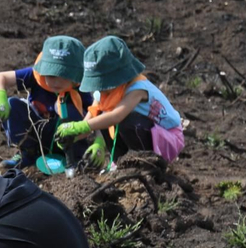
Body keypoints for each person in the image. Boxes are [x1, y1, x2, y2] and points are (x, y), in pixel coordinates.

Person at [54, 36, 186, 169]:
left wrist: (80, 127)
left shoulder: (137, 89)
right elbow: (88, 123)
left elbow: (116, 116)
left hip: (167, 138)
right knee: (102, 118)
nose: (98, 88)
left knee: (124, 120)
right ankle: (120, 163)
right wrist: (72, 137)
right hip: (145, 132)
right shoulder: (103, 93)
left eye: (101, 83)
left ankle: (145, 165)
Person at [0, 35, 89, 169]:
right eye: (51, 75)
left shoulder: (82, 87)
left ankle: (73, 159)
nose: (56, 82)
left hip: (68, 139)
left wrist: (99, 142)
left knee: (70, 112)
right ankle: (28, 154)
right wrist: (0, 98)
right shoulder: (36, 76)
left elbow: (96, 113)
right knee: (13, 104)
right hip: (37, 133)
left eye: (64, 75)